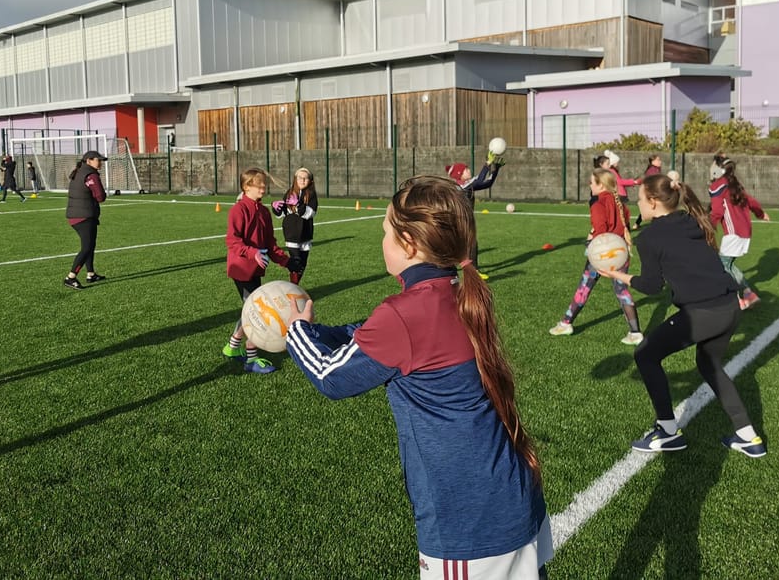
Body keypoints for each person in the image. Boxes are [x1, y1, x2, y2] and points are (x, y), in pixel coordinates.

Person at [286, 175, 552, 577]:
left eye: (386, 232)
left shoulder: (404, 316)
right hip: (513, 500)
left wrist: (293, 331)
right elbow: (366, 335)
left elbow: (331, 377)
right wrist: (319, 331)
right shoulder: (454, 293)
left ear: (409, 243)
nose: (382, 241)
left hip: (469, 522)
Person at [598, 173, 768, 458]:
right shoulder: (691, 219)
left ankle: (667, 431)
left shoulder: (649, 237)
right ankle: (749, 437)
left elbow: (652, 286)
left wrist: (618, 274)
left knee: (646, 355)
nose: (638, 204)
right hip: (730, 306)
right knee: (708, 363)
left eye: (640, 200)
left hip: (705, 313)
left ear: (653, 203)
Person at [549, 168, 642, 345]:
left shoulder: (598, 203)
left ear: (600, 184)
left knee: (584, 287)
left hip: (604, 253)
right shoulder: (620, 203)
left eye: (592, 182)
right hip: (621, 252)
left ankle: (566, 323)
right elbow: (624, 226)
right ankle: (636, 333)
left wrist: (590, 240)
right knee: (622, 291)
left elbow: (600, 231)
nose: (589, 185)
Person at [222, 168, 298, 374]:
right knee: (255, 312)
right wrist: (252, 252)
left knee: (249, 310)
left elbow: (270, 244)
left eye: (265, 184)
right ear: (246, 186)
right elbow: (232, 241)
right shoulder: (238, 210)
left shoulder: (264, 212)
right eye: (259, 184)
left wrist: (287, 261)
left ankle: (232, 346)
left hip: (256, 270)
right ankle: (251, 358)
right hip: (241, 269)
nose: (263, 188)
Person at [708, 155, 770, 310]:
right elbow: (751, 201)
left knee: (722, 266)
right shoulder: (733, 183)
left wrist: (706, 227)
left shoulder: (717, 186)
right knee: (728, 265)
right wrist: (760, 213)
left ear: (717, 169)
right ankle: (749, 294)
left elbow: (716, 211)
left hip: (734, 233)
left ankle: (738, 300)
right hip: (745, 231)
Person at [445, 151, 504, 279]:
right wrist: (488, 164)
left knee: (470, 244)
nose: (469, 170)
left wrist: (495, 170)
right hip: (459, 220)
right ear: (460, 174)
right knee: (467, 244)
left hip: (465, 219)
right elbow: (479, 179)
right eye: (466, 169)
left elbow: (487, 183)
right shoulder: (463, 186)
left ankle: (472, 270)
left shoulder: (467, 185)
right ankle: (466, 271)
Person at [63, 151, 108, 289]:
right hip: (84, 215)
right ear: (88, 161)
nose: (100, 163)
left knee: (90, 245)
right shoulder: (91, 175)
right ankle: (70, 277)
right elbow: (100, 196)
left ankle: (91, 273)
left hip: (77, 214)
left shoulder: (78, 172)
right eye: (98, 160)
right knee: (87, 247)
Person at [270, 167, 317, 285]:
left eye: (305, 178)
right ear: (295, 179)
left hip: (305, 233)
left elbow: (310, 213)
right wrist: (276, 208)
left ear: (310, 181)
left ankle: (295, 285)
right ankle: (293, 287)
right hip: (291, 232)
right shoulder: (289, 192)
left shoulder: (311, 195)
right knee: (296, 261)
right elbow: (282, 213)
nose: (302, 180)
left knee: (302, 263)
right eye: (299, 178)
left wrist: (298, 204)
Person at [633, 153, 663, 229]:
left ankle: (637, 223)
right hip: (651, 192)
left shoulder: (655, 170)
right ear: (652, 161)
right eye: (658, 160)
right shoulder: (653, 171)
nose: (660, 161)